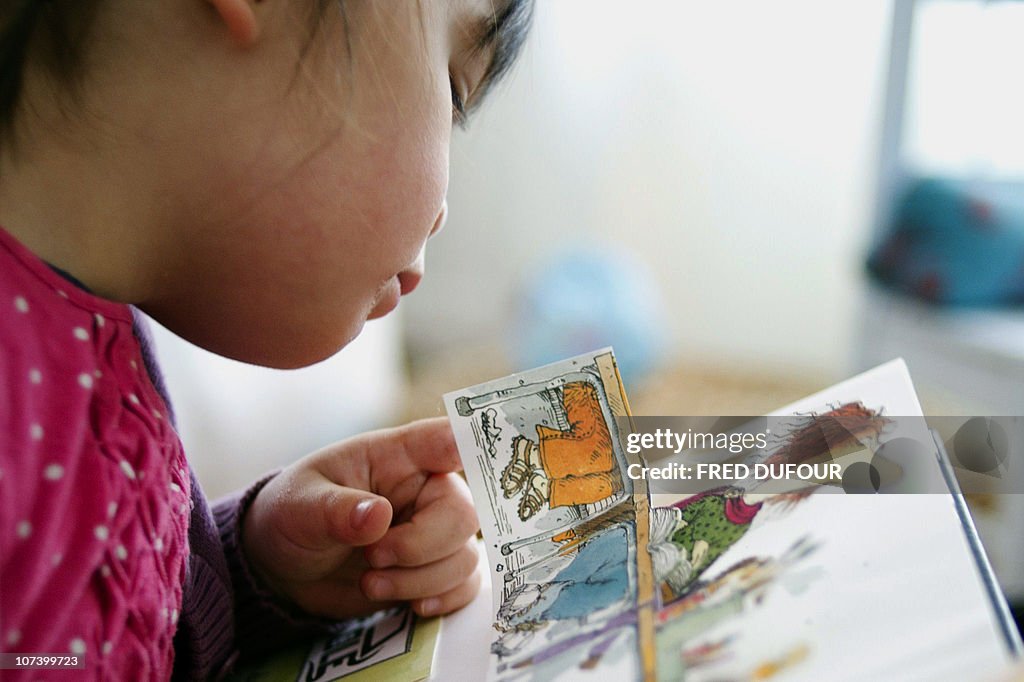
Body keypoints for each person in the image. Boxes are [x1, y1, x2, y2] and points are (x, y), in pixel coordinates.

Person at [0, 0, 532, 679]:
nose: (444, 211)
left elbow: (82, 638)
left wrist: (251, 569)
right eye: (455, 91)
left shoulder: (98, 331)